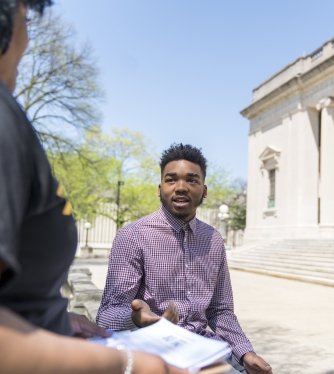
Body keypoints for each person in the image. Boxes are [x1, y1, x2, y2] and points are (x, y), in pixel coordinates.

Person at [0, 1, 187, 372]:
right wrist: (134, 365)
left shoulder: (213, 241)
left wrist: (56, 323)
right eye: (26, 12)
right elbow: (114, 308)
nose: (28, 32)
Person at [97, 144, 273, 374]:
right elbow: (107, 314)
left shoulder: (213, 240)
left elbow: (220, 311)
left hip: (202, 348)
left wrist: (245, 352)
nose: (181, 187)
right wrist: (135, 318)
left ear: (204, 190)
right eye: (171, 180)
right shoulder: (133, 237)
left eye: (192, 180)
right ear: (160, 189)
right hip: (150, 349)